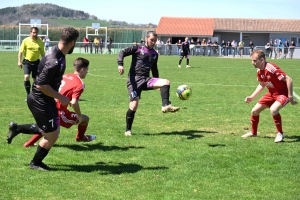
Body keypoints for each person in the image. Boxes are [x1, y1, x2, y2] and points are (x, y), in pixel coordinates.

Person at [14, 27, 79, 171]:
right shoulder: (55, 60)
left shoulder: (57, 53)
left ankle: (17, 128)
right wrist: (61, 97)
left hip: (46, 99)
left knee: (51, 131)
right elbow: (41, 85)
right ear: (72, 42)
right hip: (40, 100)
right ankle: (35, 163)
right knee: (51, 134)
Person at [7, 57, 96, 147]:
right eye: (87, 69)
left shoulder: (65, 76)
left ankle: (27, 144)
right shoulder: (80, 84)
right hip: (59, 112)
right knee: (85, 119)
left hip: (49, 105)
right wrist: (79, 116)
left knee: (47, 127)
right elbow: (74, 102)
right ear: (82, 69)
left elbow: (60, 91)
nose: (87, 72)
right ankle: (80, 137)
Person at [117, 31, 180, 136]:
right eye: (151, 40)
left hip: (146, 79)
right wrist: (120, 64)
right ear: (146, 38)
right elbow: (122, 52)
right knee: (134, 105)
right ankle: (128, 130)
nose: (153, 42)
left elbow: (154, 69)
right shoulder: (137, 48)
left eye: (155, 41)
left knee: (166, 82)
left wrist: (159, 84)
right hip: (134, 80)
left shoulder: (155, 54)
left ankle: (166, 105)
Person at [241, 50, 298, 143]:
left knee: (273, 110)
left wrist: (290, 96)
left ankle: (280, 133)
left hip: (282, 94)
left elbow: (289, 79)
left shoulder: (271, 68)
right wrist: (252, 97)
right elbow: (262, 84)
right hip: (271, 94)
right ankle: (253, 132)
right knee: (254, 111)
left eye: (255, 61)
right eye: (252, 60)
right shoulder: (259, 70)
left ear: (262, 60)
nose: (252, 63)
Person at [18, 27, 45, 100]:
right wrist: (19, 62)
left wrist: (45, 62)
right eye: (33, 32)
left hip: (36, 63)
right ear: (30, 33)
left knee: (36, 80)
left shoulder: (40, 42)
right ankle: (28, 95)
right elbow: (20, 52)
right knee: (26, 77)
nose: (34, 34)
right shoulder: (26, 41)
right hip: (27, 62)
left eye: (36, 33)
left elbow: (43, 54)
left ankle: (35, 95)